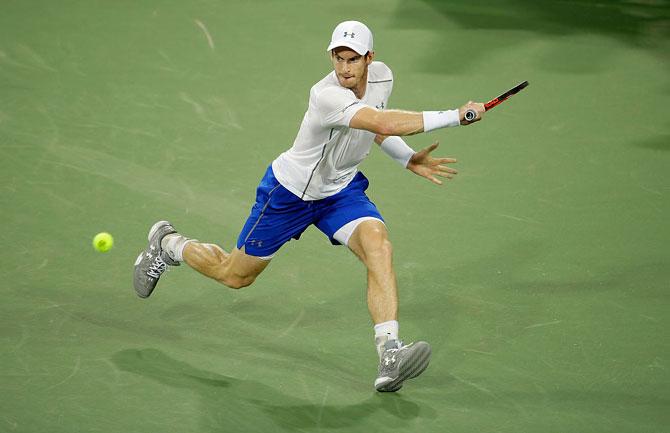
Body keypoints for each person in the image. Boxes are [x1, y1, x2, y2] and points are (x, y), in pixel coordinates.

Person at [133, 20, 485, 392]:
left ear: (370, 58)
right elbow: (378, 118)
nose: (345, 68)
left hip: (340, 192)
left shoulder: (382, 77)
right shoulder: (326, 95)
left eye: (352, 59)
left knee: (378, 247)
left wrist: (407, 158)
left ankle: (390, 353)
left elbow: (378, 128)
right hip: (289, 194)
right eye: (338, 58)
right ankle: (169, 244)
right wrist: (454, 116)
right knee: (234, 275)